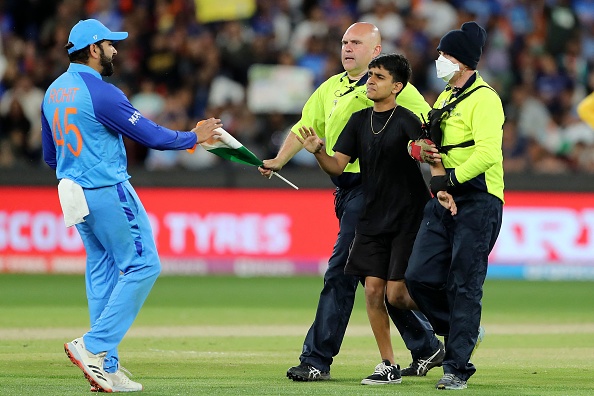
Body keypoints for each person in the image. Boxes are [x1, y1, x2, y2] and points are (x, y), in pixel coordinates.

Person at [40, 19, 222, 393]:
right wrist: (194, 136)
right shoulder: (101, 92)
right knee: (143, 265)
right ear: (94, 49)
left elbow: (49, 156)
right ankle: (91, 347)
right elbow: (152, 136)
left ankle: (105, 367)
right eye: (110, 44)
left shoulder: (52, 92)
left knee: (103, 274)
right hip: (107, 188)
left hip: (73, 190)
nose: (115, 51)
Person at [259, 22, 444, 381]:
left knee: (342, 272)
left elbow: (428, 124)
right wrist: (280, 160)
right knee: (371, 279)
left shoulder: (393, 86)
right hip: (345, 191)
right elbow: (305, 127)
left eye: (356, 42)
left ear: (376, 50)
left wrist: (430, 160)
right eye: (344, 41)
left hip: (373, 191)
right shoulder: (331, 87)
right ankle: (425, 344)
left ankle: (316, 358)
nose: (347, 48)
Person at [404, 21, 505, 390]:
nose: (439, 60)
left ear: (462, 61)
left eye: (445, 55)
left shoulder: (485, 99)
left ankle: (457, 368)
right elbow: (432, 147)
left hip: (479, 199)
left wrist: (449, 180)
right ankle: (464, 332)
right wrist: (420, 151)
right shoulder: (445, 98)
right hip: (445, 196)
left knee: (464, 283)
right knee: (417, 277)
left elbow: (488, 154)